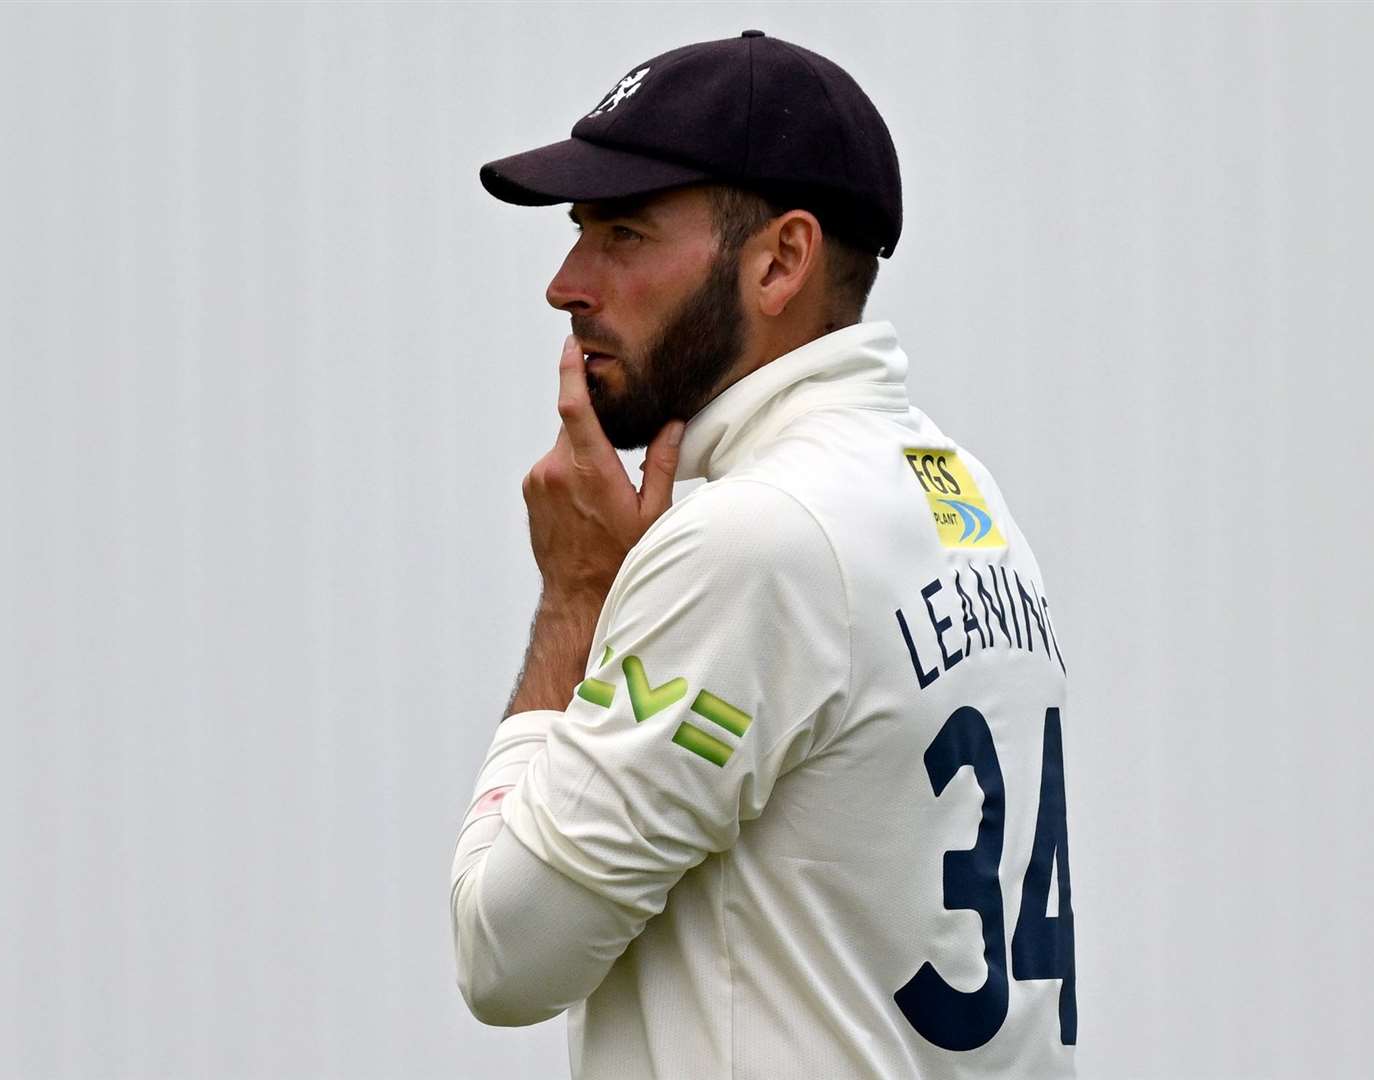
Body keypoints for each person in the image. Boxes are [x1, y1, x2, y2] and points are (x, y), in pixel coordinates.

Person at [452, 30, 1078, 1079]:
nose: (566, 283)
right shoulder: (958, 488)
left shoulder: (752, 539)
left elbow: (503, 954)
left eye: (624, 232)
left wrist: (576, 600)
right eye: (578, 231)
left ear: (780, 261)